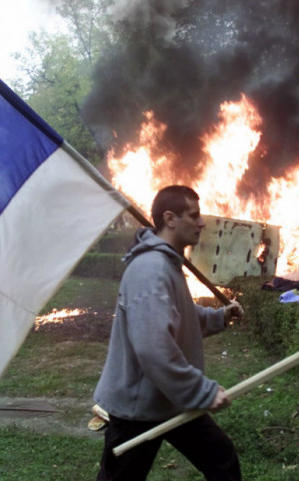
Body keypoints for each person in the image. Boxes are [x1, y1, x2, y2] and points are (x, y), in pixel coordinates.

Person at [94, 185, 244, 481]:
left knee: (221, 459)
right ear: (170, 218)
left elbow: (179, 317)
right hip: (137, 408)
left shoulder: (167, 264)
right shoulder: (151, 269)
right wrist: (200, 391)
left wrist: (218, 317)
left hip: (169, 400)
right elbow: (154, 349)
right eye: (194, 215)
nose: (202, 222)